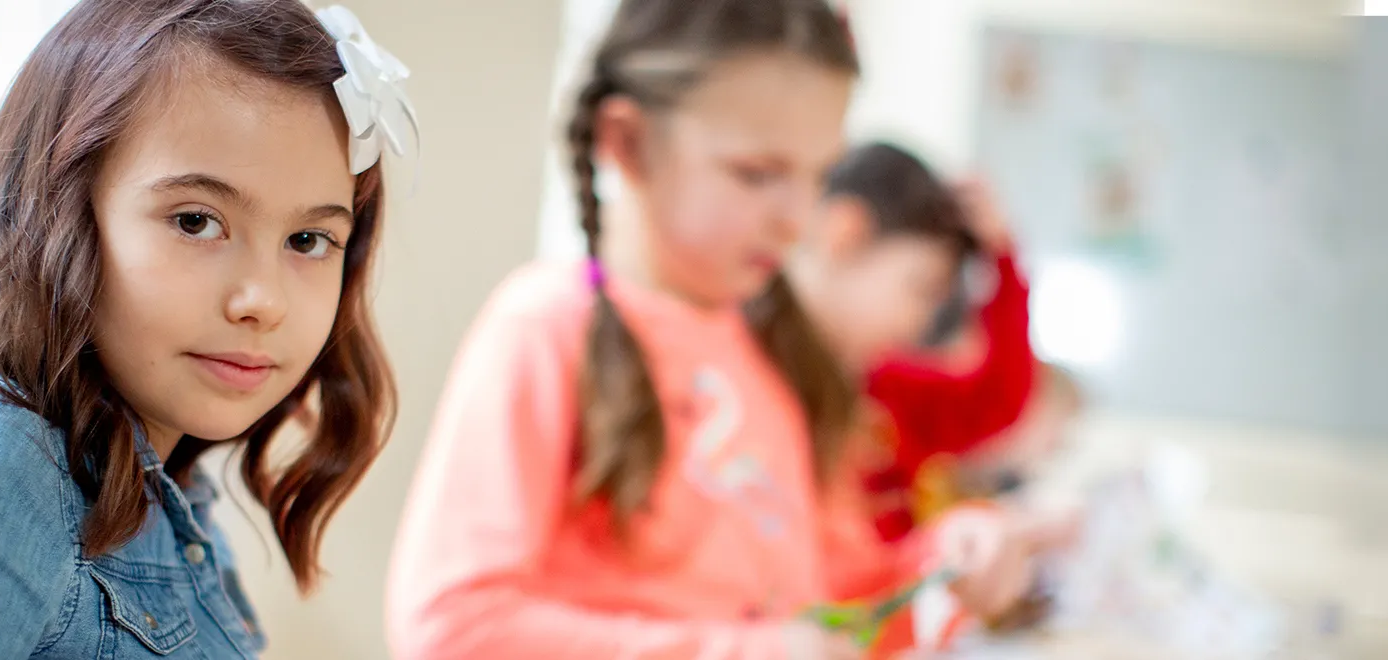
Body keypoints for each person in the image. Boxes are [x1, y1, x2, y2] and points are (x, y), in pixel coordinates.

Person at [385, 2, 1049, 659]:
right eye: (758, 174)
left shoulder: (776, 356)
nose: (797, 218)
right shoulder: (545, 326)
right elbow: (450, 627)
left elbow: (831, 609)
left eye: (817, 175)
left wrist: (947, 558)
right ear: (628, 142)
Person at [0, 1, 414, 656]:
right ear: (61, 214)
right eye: (196, 221)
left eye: (308, 239)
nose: (262, 301)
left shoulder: (174, 492)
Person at [785, 143, 1050, 542]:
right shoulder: (752, 380)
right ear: (845, 233)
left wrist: (1003, 258)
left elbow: (997, 397)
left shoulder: (881, 388)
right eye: (920, 288)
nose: (921, 321)